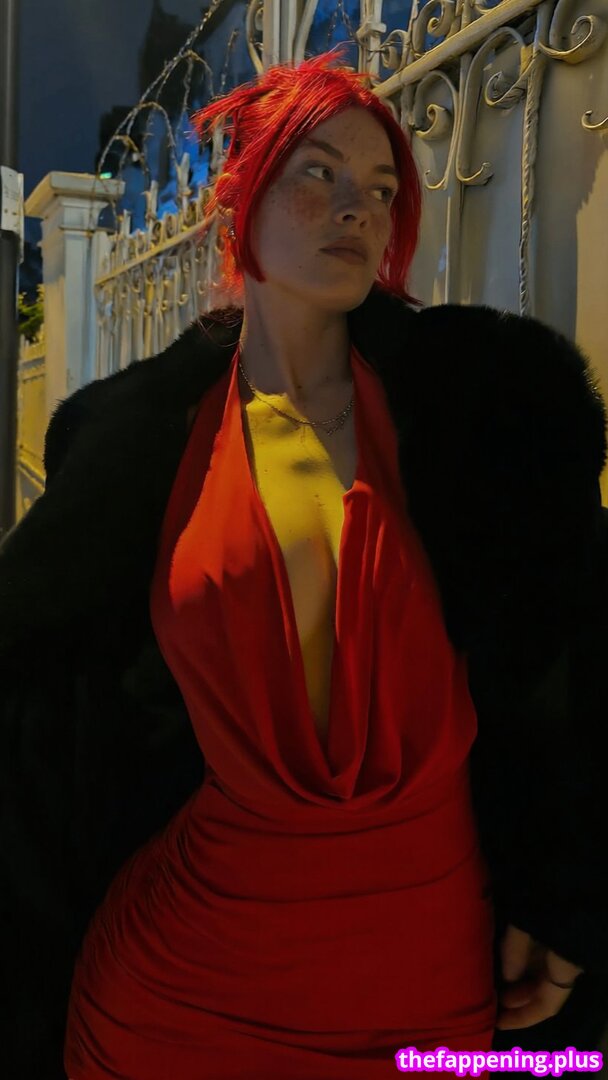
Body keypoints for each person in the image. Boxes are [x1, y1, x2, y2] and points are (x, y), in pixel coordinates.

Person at [1, 45, 608, 1080]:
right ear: (238, 198)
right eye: (316, 173)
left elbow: (570, 657)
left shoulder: (483, 417)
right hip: (176, 995)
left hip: (427, 988)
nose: (356, 208)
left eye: (380, 189)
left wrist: (568, 885)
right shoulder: (141, 447)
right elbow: (42, 710)